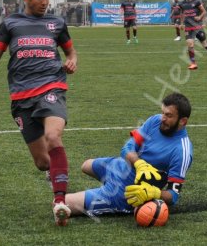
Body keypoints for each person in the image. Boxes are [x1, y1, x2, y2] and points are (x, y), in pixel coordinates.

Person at [0, 0, 78, 226]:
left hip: (52, 86)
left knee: (53, 137)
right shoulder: (10, 23)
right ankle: (56, 175)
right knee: (41, 162)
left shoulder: (56, 23)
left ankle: (60, 200)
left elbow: (70, 50)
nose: (44, 2)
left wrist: (71, 61)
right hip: (21, 96)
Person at [64, 92, 193, 218]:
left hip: (124, 192)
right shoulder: (155, 120)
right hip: (118, 166)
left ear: (183, 121)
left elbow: (173, 196)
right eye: (163, 112)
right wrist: (139, 163)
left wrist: (155, 193)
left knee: (63, 203)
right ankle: (104, 186)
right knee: (85, 165)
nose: (163, 118)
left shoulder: (182, 151)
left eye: (169, 116)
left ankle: (109, 198)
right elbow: (127, 147)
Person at [178, 0, 207, 70]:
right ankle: (193, 63)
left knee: (204, 44)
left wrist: (199, 17)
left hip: (197, 27)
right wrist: (181, 23)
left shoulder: (196, 2)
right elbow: (182, 13)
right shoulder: (182, 4)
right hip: (188, 27)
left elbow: (204, 11)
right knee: (190, 44)